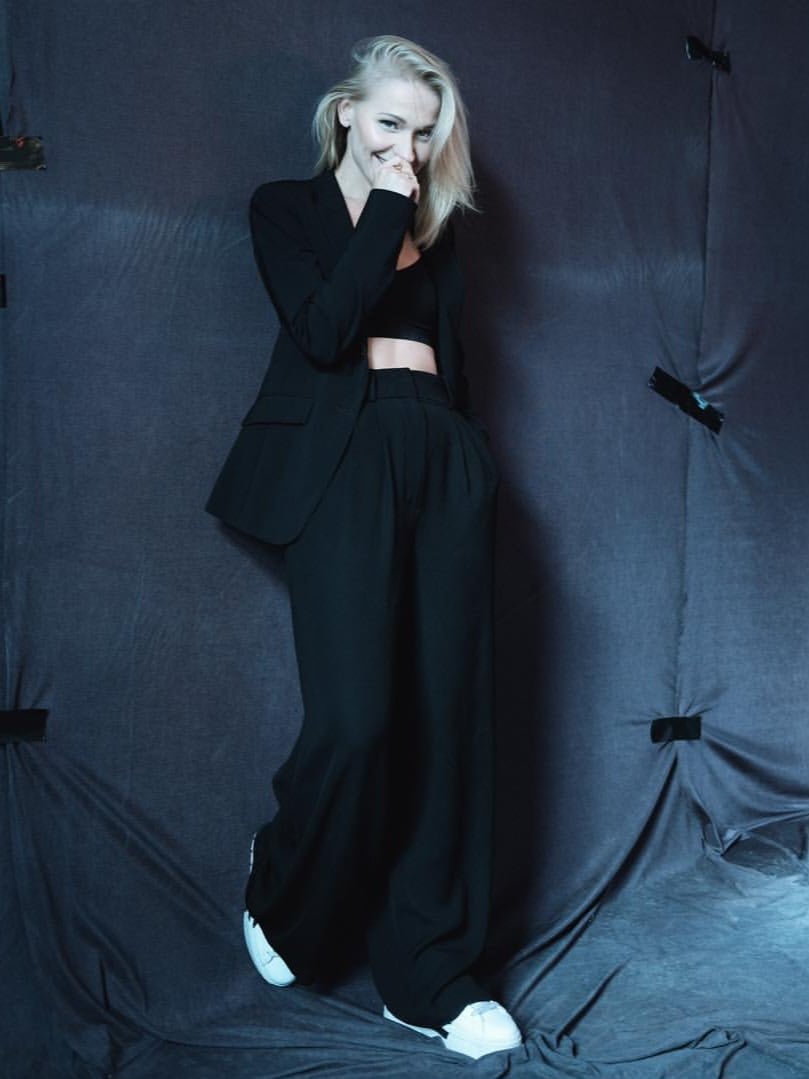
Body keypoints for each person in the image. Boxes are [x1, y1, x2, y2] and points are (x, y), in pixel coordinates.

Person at [206, 34, 522, 1061]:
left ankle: (428, 979)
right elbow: (324, 332)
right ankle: (284, 884)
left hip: (440, 455)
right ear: (345, 112)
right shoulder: (285, 210)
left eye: (424, 135)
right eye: (390, 123)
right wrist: (385, 204)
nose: (407, 150)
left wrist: (466, 460)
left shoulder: (438, 235)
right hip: (343, 456)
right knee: (356, 718)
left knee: (443, 725)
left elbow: (452, 360)